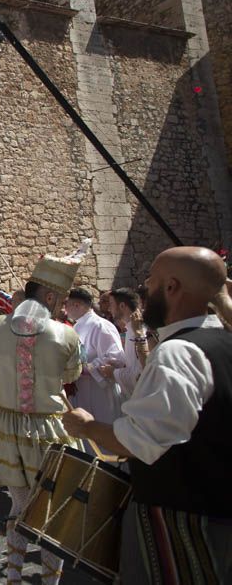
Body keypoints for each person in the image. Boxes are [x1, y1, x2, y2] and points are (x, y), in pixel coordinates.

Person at [63, 247, 232, 584]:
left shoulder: (180, 352)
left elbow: (143, 439)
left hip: (183, 519)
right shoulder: (223, 341)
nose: (143, 291)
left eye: (149, 283)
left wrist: (88, 426)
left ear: (171, 287)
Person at [0, 242, 88, 585]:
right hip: (50, 430)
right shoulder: (67, 334)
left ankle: (13, 578)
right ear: (51, 298)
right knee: (49, 514)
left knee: (19, 507)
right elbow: (71, 377)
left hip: (3, 424)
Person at [63, 287, 124, 426]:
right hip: (82, 390)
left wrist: (85, 369)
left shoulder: (101, 325)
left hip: (100, 393)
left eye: (66, 304)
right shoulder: (78, 326)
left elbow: (116, 357)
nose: (64, 309)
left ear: (77, 305)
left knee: (102, 431)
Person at [105, 287, 150, 398]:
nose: (109, 309)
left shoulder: (139, 333)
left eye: (111, 304)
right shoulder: (130, 330)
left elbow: (142, 374)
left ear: (122, 306)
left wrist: (114, 373)